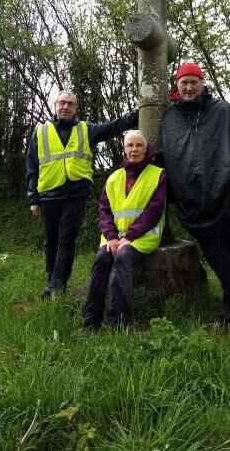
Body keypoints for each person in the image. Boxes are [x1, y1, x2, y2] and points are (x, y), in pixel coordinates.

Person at [159, 62, 230, 329]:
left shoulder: (222, 111)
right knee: (214, 251)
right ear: (177, 87)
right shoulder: (170, 119)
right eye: (184, 83)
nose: (189, 87)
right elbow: (165, 157)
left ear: (202, 84)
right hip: (193, 203)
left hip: (226, 197)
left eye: (194, 82)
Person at [26, 90, 138, 299]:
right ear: (56, 106)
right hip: (48, 195)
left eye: (70, 104)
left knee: (66, 239)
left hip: (75, 195)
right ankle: (52, 279)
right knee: (51, 241)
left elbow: (112, 127)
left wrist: (136, 114)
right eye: (62, 103)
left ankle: (57, 286)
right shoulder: (40, 132)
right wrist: (33, 198)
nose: (65, 107)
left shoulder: (86, 129)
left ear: (76, 108)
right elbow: (32, 165)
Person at [83, 130, 166, 330]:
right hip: (114, 237)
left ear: (146, 150)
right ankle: (91, 320)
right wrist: (111, 238)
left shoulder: (158, 175)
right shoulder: (114, 177)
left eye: (139, 145)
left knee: (123, 257)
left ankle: (119, 321)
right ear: (124, 149)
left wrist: (128, 238)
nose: (134, 149)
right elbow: (104, 210)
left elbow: (152, 212)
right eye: (130, 145)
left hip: (143, 236)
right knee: (102, 259)